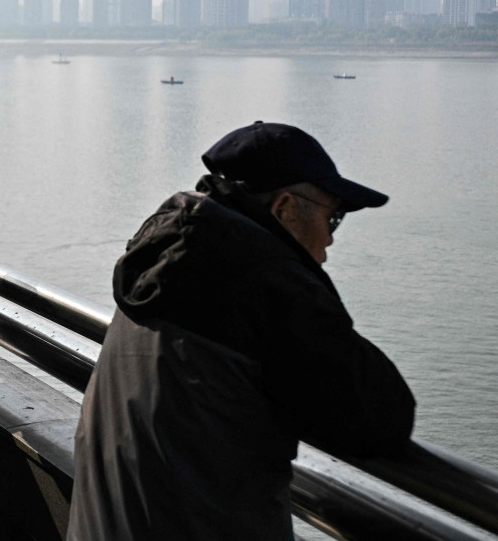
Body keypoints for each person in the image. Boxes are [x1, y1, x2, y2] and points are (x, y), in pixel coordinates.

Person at [66, 121, 416, 541]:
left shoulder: (164, 261)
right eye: (333, 217)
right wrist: (308, 289)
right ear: (285, 208)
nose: (331, 239)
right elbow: (379, 416)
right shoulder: (265, 284)